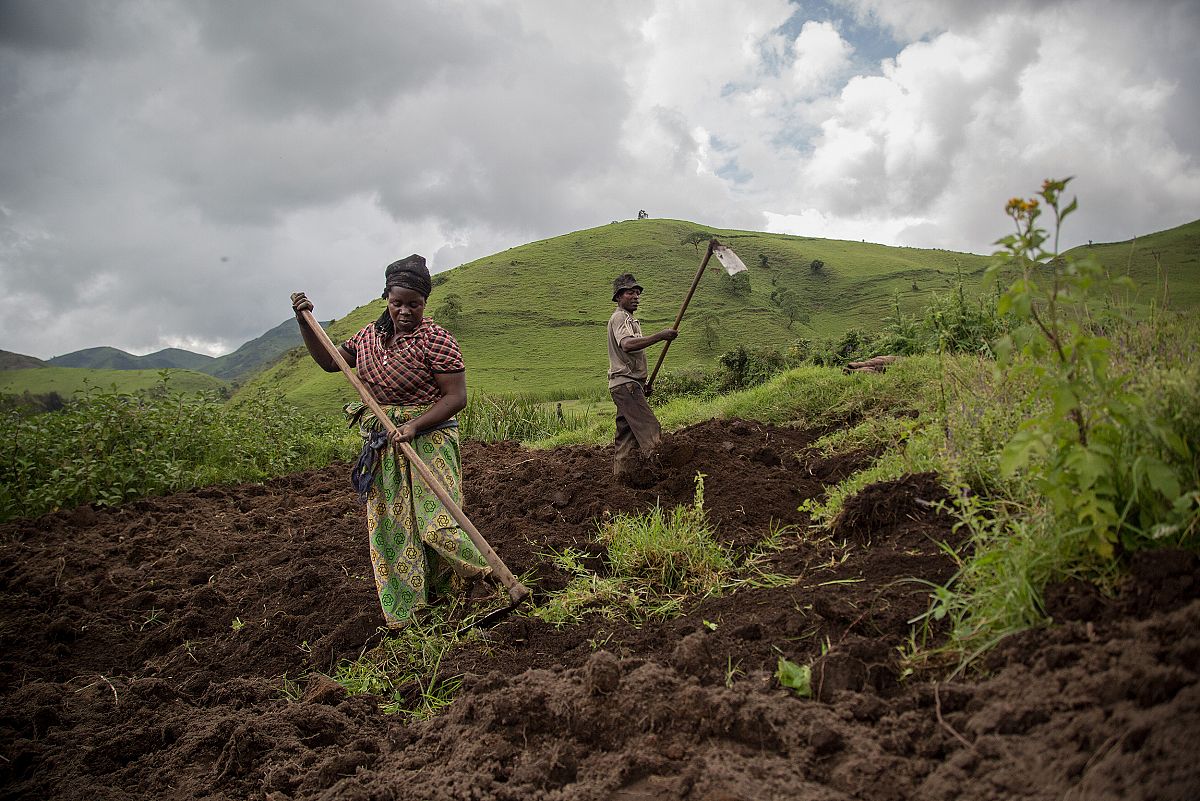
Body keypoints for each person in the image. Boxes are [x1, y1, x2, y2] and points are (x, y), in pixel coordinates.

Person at [290, 254, 491, 631]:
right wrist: (305, 324)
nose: (404, 311)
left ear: (424, 303)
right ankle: (412, 611)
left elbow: (456, 398)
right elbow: (332, 362)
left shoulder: (437, 339)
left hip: (430, 436)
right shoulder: (369, 337)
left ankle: (484, 579)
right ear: (387, 297)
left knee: (438, 522)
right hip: (384, 442)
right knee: (393, 526)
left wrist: (415, 425)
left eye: (413, 304)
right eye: (397, 302)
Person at [607, 273, 677, 484]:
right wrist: (661, 336)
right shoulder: (620, 317)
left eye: (637, 293)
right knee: (650, 429)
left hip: (627, 384)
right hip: (625, 384)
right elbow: (627, 345)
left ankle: (621, 480)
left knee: (626, 436)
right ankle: (663, 477)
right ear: (619, 296)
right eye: (630, 292)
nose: (636, 296)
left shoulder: (631, 320)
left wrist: (641, 383)